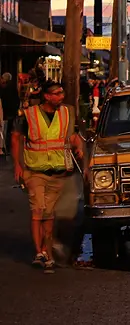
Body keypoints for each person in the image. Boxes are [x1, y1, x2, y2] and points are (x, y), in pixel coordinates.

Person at [11, 81, 85, 273]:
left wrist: (78, 147)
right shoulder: (29, 115)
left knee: (49, 215)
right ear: (46, 96)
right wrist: (17, 165)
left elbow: (72, 135)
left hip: (58, 171)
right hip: (35, 171)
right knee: (38, 210)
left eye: (62, 93)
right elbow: (16, 137)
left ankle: (46, 250)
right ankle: (39, 253)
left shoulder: (66, 113)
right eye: (57, 93)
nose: (61, 96)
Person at [1, 72, 17, 156]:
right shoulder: (12, 87)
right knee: (9, 130)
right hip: (11, 112)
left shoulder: (6, 89)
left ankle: (6, 147)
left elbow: (5, 101)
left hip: (7, 112)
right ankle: (8, 147)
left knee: (6, 130)